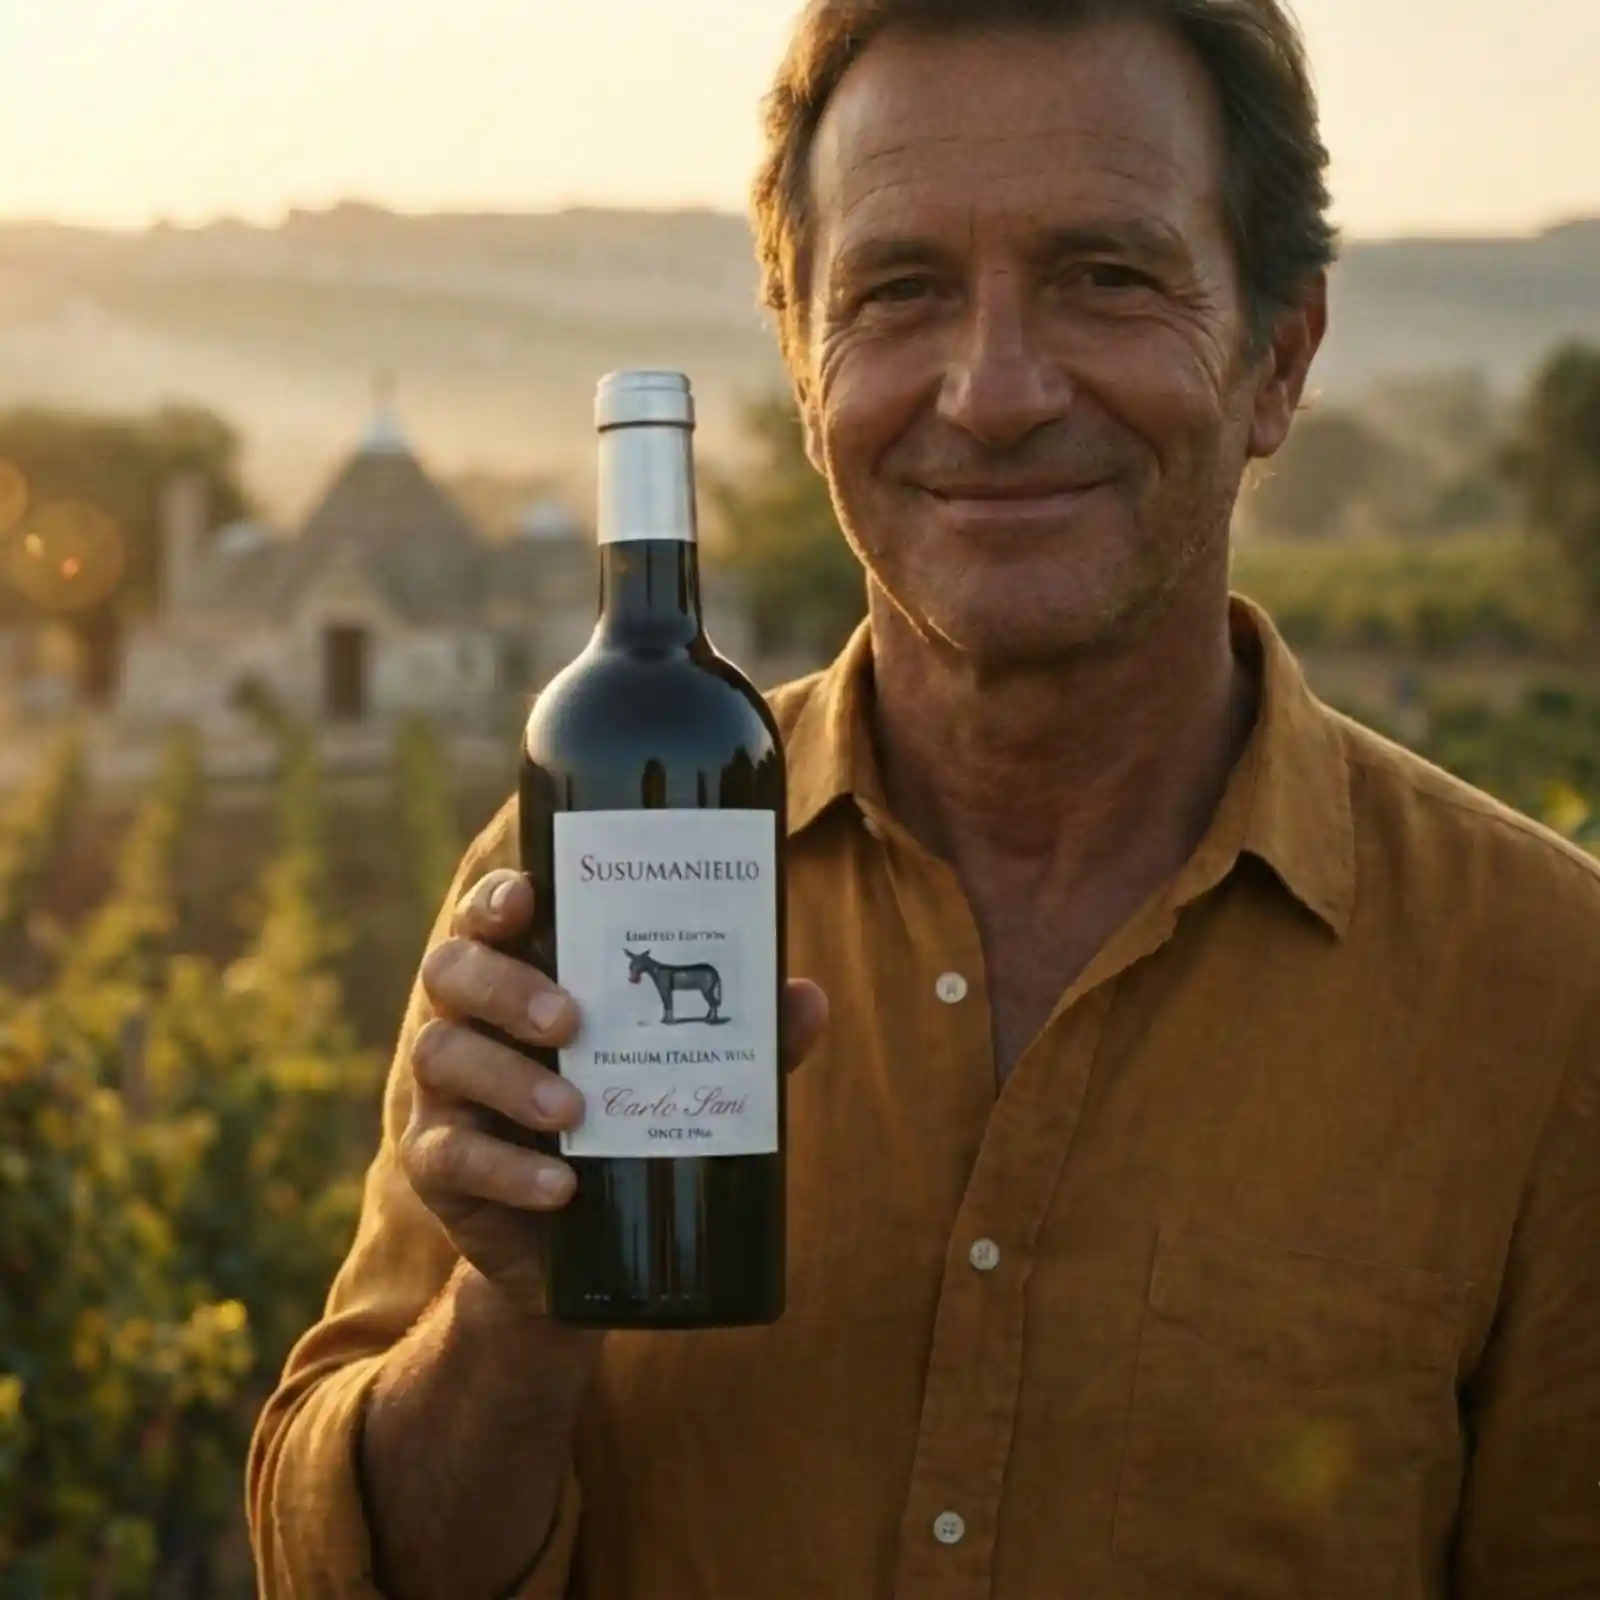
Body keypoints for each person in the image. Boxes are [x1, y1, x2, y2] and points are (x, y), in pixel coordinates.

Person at [249, 1, 1600, 1594]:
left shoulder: (1547, 990)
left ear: (1278, 358)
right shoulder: (581, 879)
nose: (996, 389)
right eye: (900, 291)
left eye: (1106, 276)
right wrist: (515, 1316)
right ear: (805, 370)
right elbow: (340, 1569)